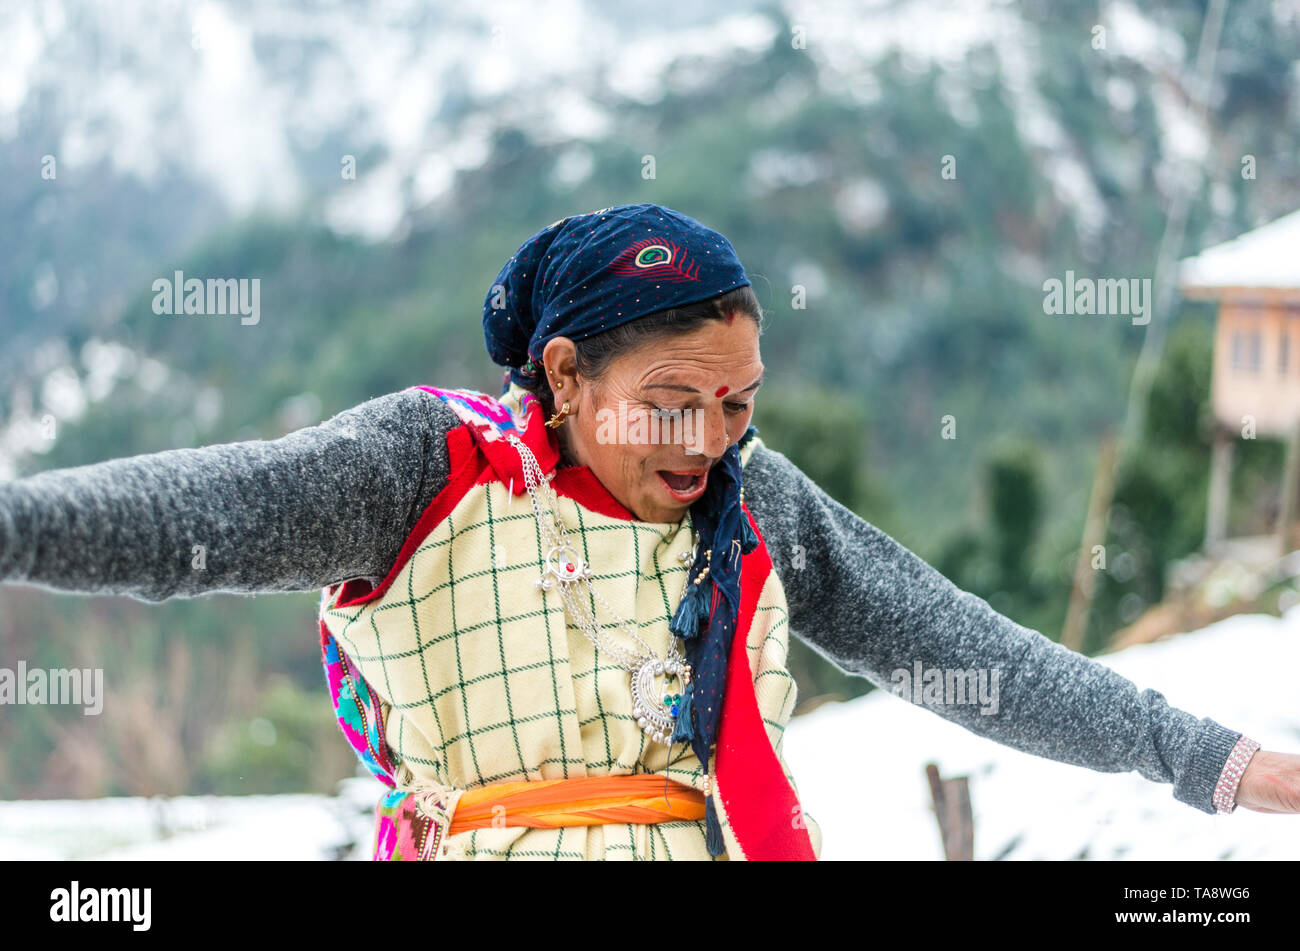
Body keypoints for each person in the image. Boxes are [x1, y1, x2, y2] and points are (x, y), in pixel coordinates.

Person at [1, 202, 1295, 861]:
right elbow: (195, 514)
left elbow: (973, 656)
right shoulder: (427, 470)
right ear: (565, 375)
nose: (711, 439)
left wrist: (1219, 765)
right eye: (673, 404)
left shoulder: (757, 507)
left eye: (739, 403)